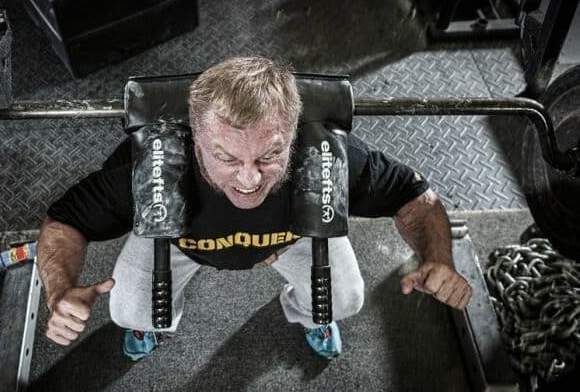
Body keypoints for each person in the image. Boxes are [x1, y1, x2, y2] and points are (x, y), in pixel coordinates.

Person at [36, 57, 473, 361]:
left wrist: (438, 258)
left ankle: (309, 316)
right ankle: (153, 324)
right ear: (196, 139)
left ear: (293, 133)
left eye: (269, 156)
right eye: (226, 158)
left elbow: (416, 198)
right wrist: (58, 291)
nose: (249, 179)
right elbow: (65, 223)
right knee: (128, 310)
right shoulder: (146, 165)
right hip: (177, 241)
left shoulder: (326, 156)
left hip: (294, 239)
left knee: (344, 299)